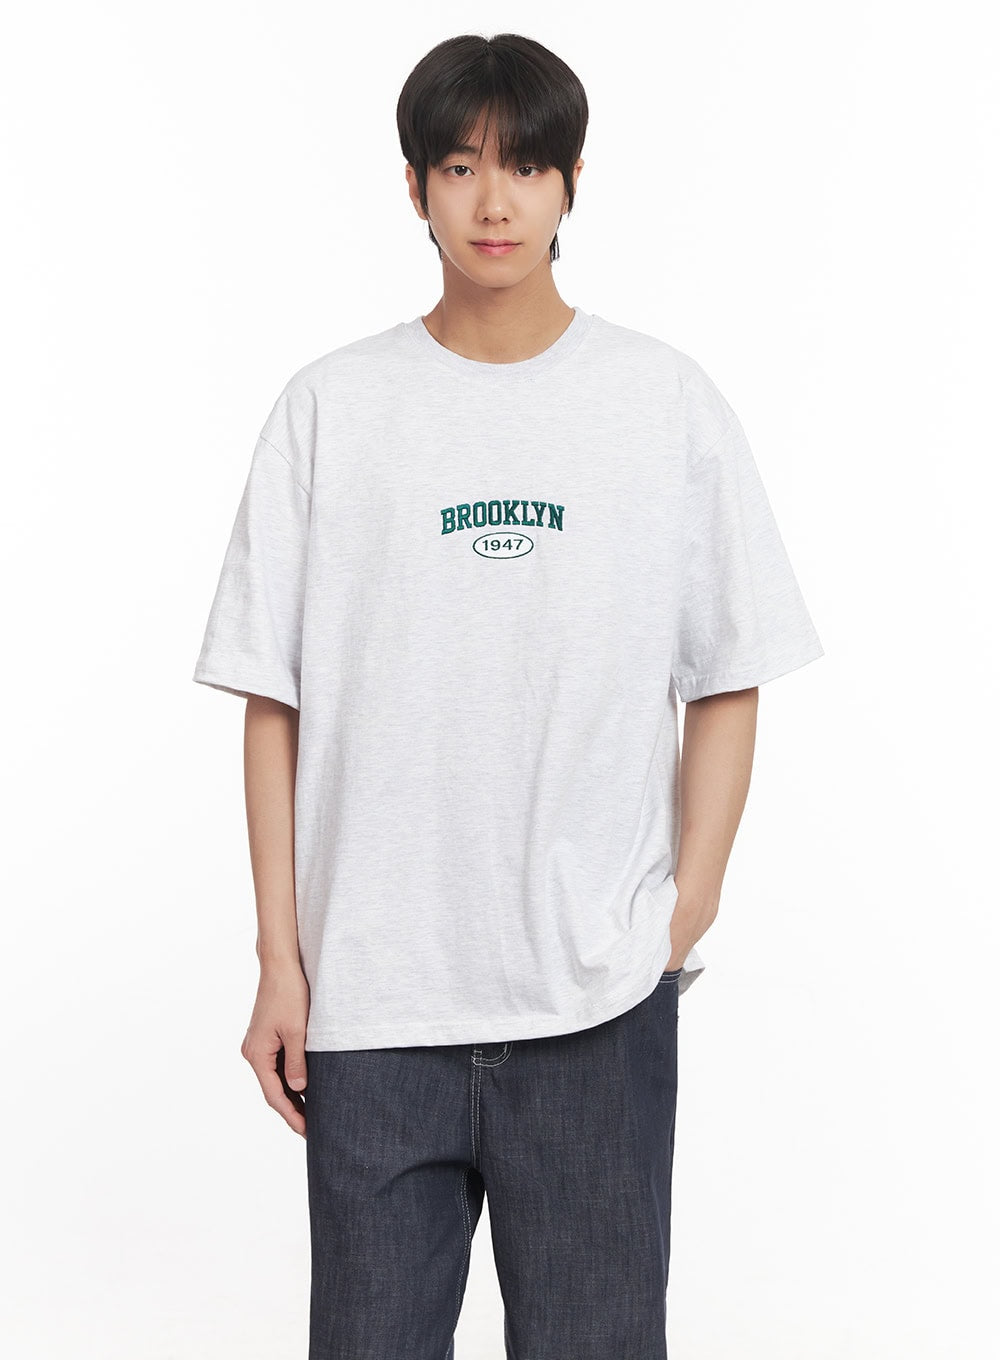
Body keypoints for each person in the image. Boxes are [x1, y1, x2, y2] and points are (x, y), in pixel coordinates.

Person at [192, 30, 824, 1360]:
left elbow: (729, 669)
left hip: (595, 1007)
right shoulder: (331, 409)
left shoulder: (662, 402)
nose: (495, 201)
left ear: (573, 181)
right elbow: (272, 701)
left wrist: (686, 908)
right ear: (414, 185)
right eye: (462, 166)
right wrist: (279, 963)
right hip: (377, 1006)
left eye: (528, 166)